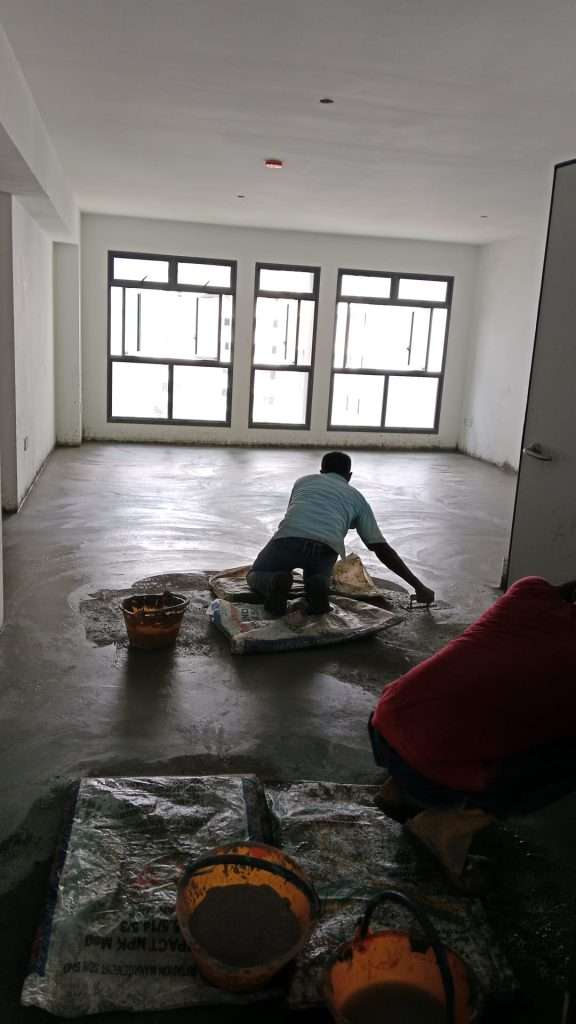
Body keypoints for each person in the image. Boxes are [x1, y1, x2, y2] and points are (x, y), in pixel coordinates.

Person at [369, 575, 576, 891]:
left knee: (458, 692)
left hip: (385, 727)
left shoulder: (528, 589)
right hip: (428, 767)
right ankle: (445, 830)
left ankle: (394, 792)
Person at [247, 451, 435, 616]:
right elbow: (380, 547)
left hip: (288, 541)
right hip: (326, 549)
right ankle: (318, 585)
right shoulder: (357, 498)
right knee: (317, 576)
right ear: (349, 475)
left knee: (255, 573)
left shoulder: (303, 481)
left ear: (321, 471)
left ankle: (274, 581)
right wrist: (418, 586)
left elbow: (296, 513)